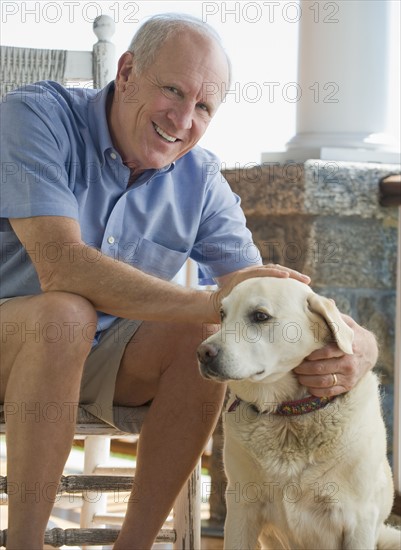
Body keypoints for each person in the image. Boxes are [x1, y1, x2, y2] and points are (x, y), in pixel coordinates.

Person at [0, 14, 378, 550]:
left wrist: (359, 345)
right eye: (173, 90)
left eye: (203, 106)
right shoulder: (34, 116)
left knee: (203, 340)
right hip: (11, 337)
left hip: (97, 358)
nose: (182, 118)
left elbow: (264, 290)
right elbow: (61, 266)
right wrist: (210, 301)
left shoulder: (199, 178)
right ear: (127, 70)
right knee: (67, 312)